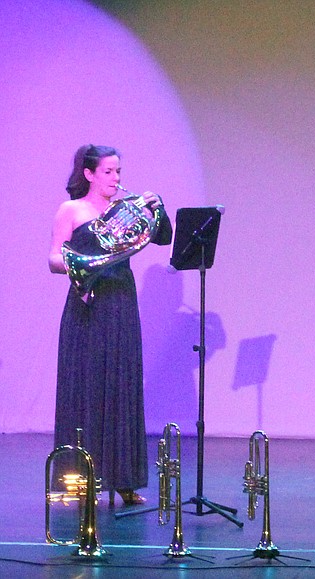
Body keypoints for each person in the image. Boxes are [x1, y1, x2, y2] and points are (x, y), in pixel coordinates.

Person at [48, 144, 172, 506]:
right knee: (84, 389)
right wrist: (88, 261)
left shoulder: (125, 209)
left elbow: (162, 237)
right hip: (87, 303)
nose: (116, 178)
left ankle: (124, 480)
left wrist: (156, 207)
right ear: (89, 174)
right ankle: (77, 479)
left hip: (120, 302)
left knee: (122, 388)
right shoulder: (71, 209)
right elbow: (54, 258)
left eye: (118, 171)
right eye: (108, 172)